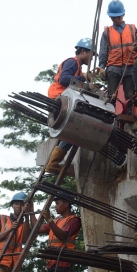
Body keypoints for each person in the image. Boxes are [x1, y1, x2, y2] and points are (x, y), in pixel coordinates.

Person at [46, 38, 95, 174]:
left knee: (74, 130)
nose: (91, 58)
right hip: (59, 100)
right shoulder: (72, 62)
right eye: (91, 54)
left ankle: (54, 162)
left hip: (64, 100)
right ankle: (53, 163)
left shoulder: (77, 67)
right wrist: (83, 78)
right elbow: (64, 79)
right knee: (76, 129)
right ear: (83, 51)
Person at [39, 197, 81, 272]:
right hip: (51, 263)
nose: (55, 206)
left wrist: (49, 219)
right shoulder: (57, 221)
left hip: (62, 263)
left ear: (66, 204)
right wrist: (30, 214)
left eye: (57, 203)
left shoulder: (74, 220)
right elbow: (38, 229)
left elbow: (62, 236)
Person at [98, 0, 136, 113]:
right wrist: (101, 67)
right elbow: (103, 51)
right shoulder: (107, 32)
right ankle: (110, 116)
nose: (116, 19)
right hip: (113, 67)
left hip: (129, 67)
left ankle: (129, 115)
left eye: (118, 17)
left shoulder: (132, 29)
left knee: (130, 95)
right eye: (114, 17)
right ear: (110, 17)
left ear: (123, 14)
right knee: (111, 95)